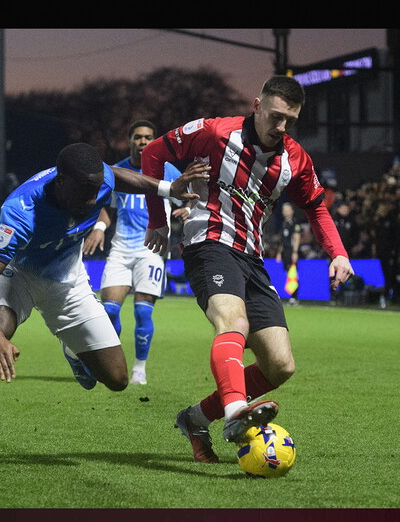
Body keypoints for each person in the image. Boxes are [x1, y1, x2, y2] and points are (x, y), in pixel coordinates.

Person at [0, 143, 206, 477]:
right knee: (0, 327)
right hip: (19, 274)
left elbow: (117, 176)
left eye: (97, 190)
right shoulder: (22, 210)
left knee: (117, 379)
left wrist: (167, 188)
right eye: (86, 192)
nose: (94, 200)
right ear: (61, 183)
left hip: (69, 282)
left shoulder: (95, 180)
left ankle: (74, 352)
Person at [140, 75, 354, 462]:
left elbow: (316, 207)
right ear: (257, 106)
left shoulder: (296, 159)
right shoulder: (214, 132)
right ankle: (235, 411)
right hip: (208, 240)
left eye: (290, 119)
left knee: (280, 365)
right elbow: (153, 153)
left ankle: (195, 418)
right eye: (275, 116)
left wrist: (338, 252)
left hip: (251, 256)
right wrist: (158, 219)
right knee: (232, 323)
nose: (281, 127)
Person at [81, 120, 190, 385]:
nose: (143, 141)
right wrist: (98, 227)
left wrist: (189, 210)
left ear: (154, 141)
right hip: (120, 248)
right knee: (108, 311)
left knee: (142, 312)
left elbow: (190, 196)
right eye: (138, 137)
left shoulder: (166, 170)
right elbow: (107, 206)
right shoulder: (116, 171)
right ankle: (113, 362)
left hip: (152, 248)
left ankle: (140, 367)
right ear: (130, 140)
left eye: (148, 137)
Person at [275, 202, 302, 305]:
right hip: (285, 252)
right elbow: (282, 240)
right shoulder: (283, 223)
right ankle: (292, 297)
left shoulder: (295, 223)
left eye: (287, 209)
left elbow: (297, 238)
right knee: (288, 274)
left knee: (293, 274)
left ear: (292, 211)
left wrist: (295, 252)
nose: (285, 211)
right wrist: (279, 252)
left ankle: (295, 298)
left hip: (292, 252)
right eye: (283, 209)